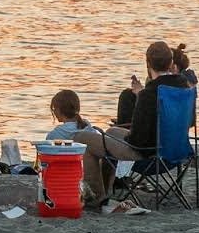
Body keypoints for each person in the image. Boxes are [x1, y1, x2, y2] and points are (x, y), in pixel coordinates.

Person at [72, 41, 187, 214]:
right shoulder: (183, 86)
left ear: (148, 64)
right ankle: (107, 190)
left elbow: (137, 140)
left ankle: (96, 198)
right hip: (176, 151)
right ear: (171, 63)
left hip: (148, 154)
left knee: (81, 138)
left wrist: (140, 99)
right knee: (111, 132)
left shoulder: (148, 94)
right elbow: (189, 121)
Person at [46, 89, 105, 202]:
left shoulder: (54, 135)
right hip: (92, 177)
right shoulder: (90, 130)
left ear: (58, 110)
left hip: (68, 181)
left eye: (54, 109)